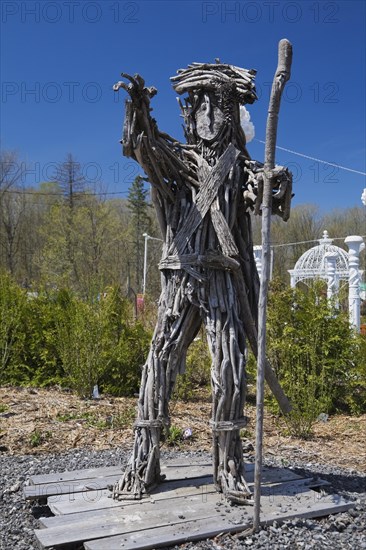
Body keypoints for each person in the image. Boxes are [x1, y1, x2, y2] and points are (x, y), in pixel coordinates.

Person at [111, 62, 292, 504]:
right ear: (189, 113)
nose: (208, 115)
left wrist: (274, 183)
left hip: (224, 284)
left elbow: (263, 194)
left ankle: (228, 468)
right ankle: (143, 464)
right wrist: (138, 111)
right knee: (159, 365)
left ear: (231, 112)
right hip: (179, 282)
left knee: (229, 376)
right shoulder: (178, 161)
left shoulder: (240, 166)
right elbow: (145, 148)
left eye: (219, 104)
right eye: (199, 104)